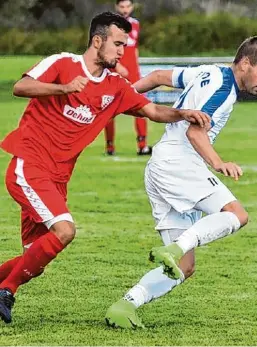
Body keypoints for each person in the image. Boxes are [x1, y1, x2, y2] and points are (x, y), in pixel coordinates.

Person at [0, 11, 210, 325]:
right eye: (117, 44)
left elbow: (151, 109)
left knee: (35, 257)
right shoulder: (63, 64)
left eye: (124, 45)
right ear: (97, 41)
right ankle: (6, 291)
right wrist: (64, 88)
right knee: (65, 230)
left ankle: (6, 282)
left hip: (58, 179)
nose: (122, 51)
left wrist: (183, 113)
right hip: (30, 164)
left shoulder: (115, 86)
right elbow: (21, 87)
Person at [105, 36, 257, 329]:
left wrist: (122, 97)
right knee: (237, 215)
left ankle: (125, 306)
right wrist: (219, 162)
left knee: (185, 267)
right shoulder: (224, 90)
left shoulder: (207, 71)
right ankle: (171, 249)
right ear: (245, 63)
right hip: (180, 165)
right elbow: (195, 134)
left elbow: (159, 77)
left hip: (160, 166)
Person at [104, 0, 150, 155]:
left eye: (127, 6)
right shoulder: (110, 25)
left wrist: (137, 68)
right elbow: (105, 49)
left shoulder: (135, 24)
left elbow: (134, 48)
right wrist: (116, 66)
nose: (125, 10)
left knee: (141, 107)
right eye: (122, 7)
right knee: (109, 109)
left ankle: (142, 145)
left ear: (132, 7)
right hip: (116, 71)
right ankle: (110, 146)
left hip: (134, 74)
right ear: (117, 7)